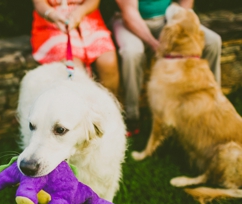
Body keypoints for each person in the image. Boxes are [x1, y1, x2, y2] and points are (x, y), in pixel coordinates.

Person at [113, 0, 221, 134]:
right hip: (131, 20)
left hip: (167, 17)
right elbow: (129, 14)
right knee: (132, 53)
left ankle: (214, 103)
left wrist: (182, 22)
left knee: (213, 42)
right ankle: (132, 116)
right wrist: (155, 45)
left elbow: (186, 2)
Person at [31, 0, 120, 98]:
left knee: (108, 62)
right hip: (52, 24)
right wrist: (52, 15)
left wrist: (80, 12)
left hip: (88, 18)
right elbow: (39, 3)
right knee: (76, 70)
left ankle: (110, 106)